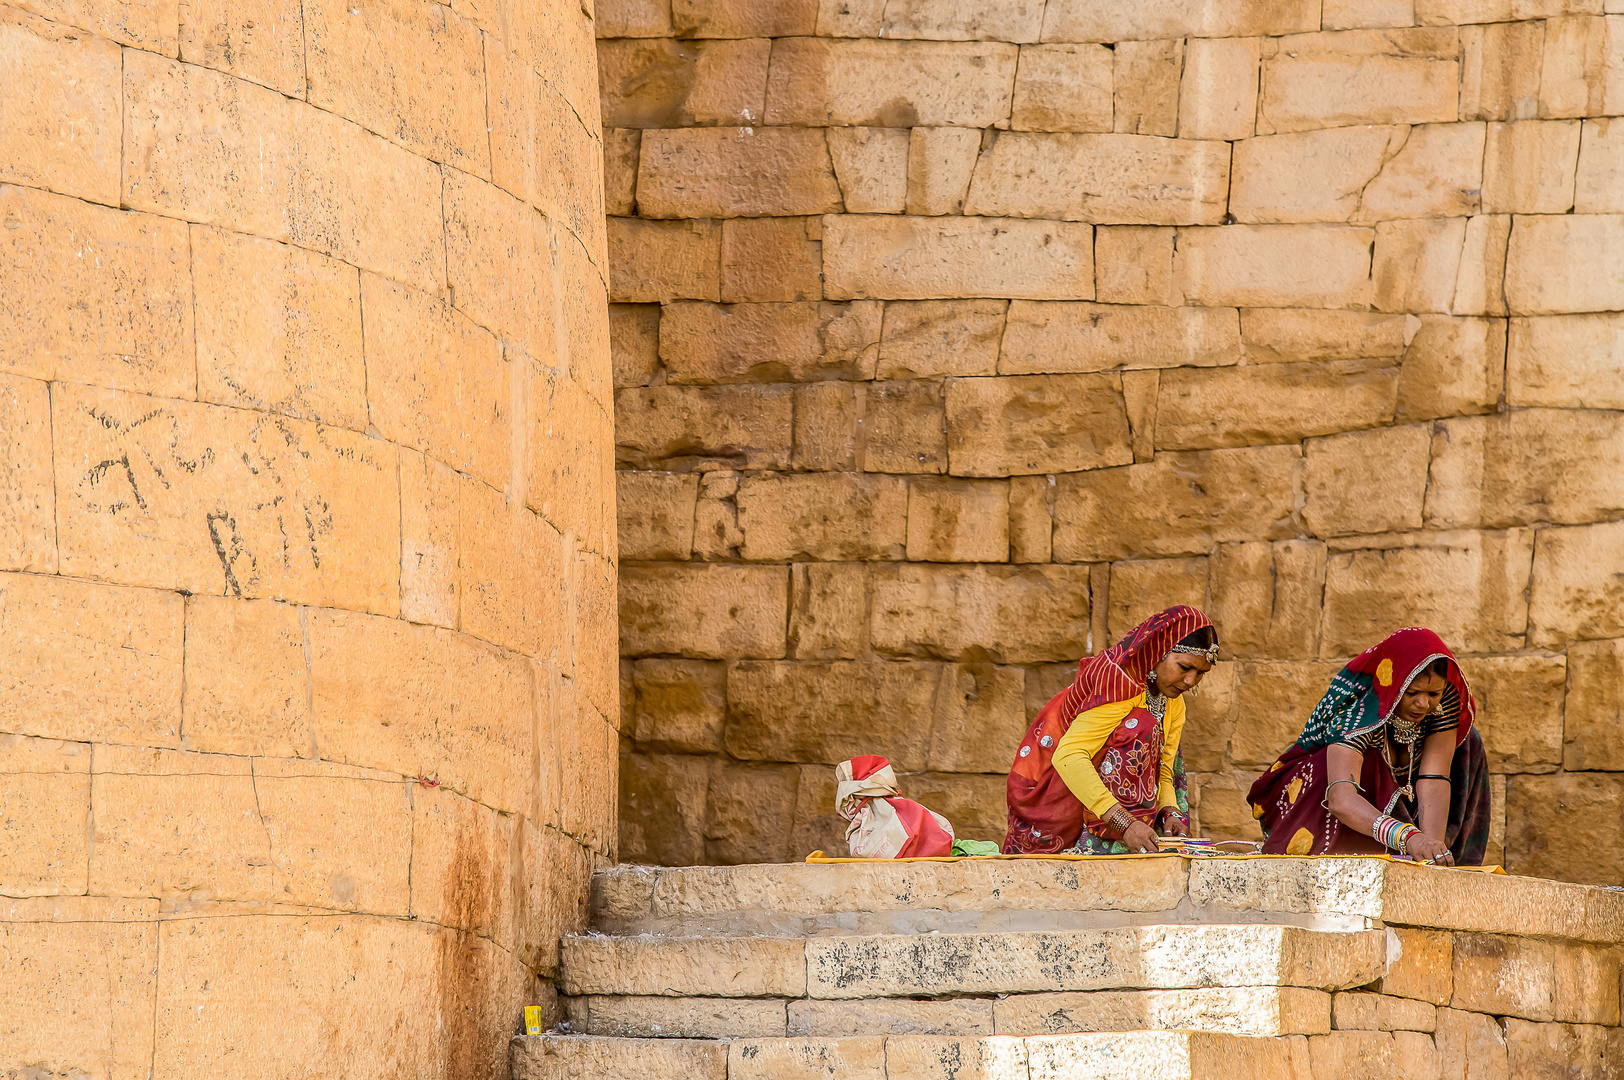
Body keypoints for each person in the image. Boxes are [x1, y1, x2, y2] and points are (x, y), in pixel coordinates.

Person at [1247, 627, 1491, 865]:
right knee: (1364, 761)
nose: (1423, 704)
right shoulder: (1358, 712)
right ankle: (1355, 856)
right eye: (1412, 693)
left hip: (1404, 813)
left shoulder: (1445, 700)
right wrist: (1410, 838)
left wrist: (1431, 850)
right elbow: (1341, 801)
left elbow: (1433, 778)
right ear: (1393, 685)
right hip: (1324, 805)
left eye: (1433, 694)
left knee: (1470, 741)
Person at [1004, 606, 1217, 855]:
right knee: (1141, 725)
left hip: (1097, 799)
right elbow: (1068, 757)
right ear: (1158, 652)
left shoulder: (1173, 702)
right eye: (1184, 667)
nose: (1191, 681)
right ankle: (1103, 849)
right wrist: (1125, 824)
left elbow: (1165, 772)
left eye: (1201, 673)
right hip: (1051, 791)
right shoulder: (1119, 684)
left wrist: (1169, 813)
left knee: (1162, 743)